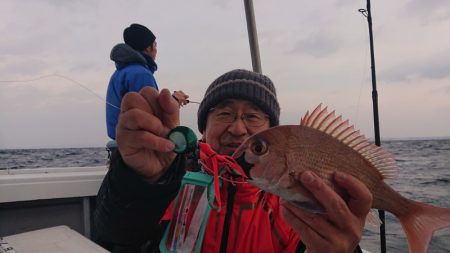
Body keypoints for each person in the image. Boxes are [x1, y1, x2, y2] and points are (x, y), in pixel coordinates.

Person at [93, 69, 373, 252]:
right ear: (204, 127)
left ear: (273, 132)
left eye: (252, 117)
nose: (238, 129)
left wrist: (345, 249)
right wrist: (136, 179)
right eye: (224, 114)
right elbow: (115, 237)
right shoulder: (172, 173)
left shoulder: (297, 196)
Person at [106, 23, 159, 140]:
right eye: (155, 45)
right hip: (138, 146)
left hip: (121, 146)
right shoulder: (141, 74)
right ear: (148, 47)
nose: (156, 50)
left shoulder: (119, 73)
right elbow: (153, 114)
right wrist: (174, 100)